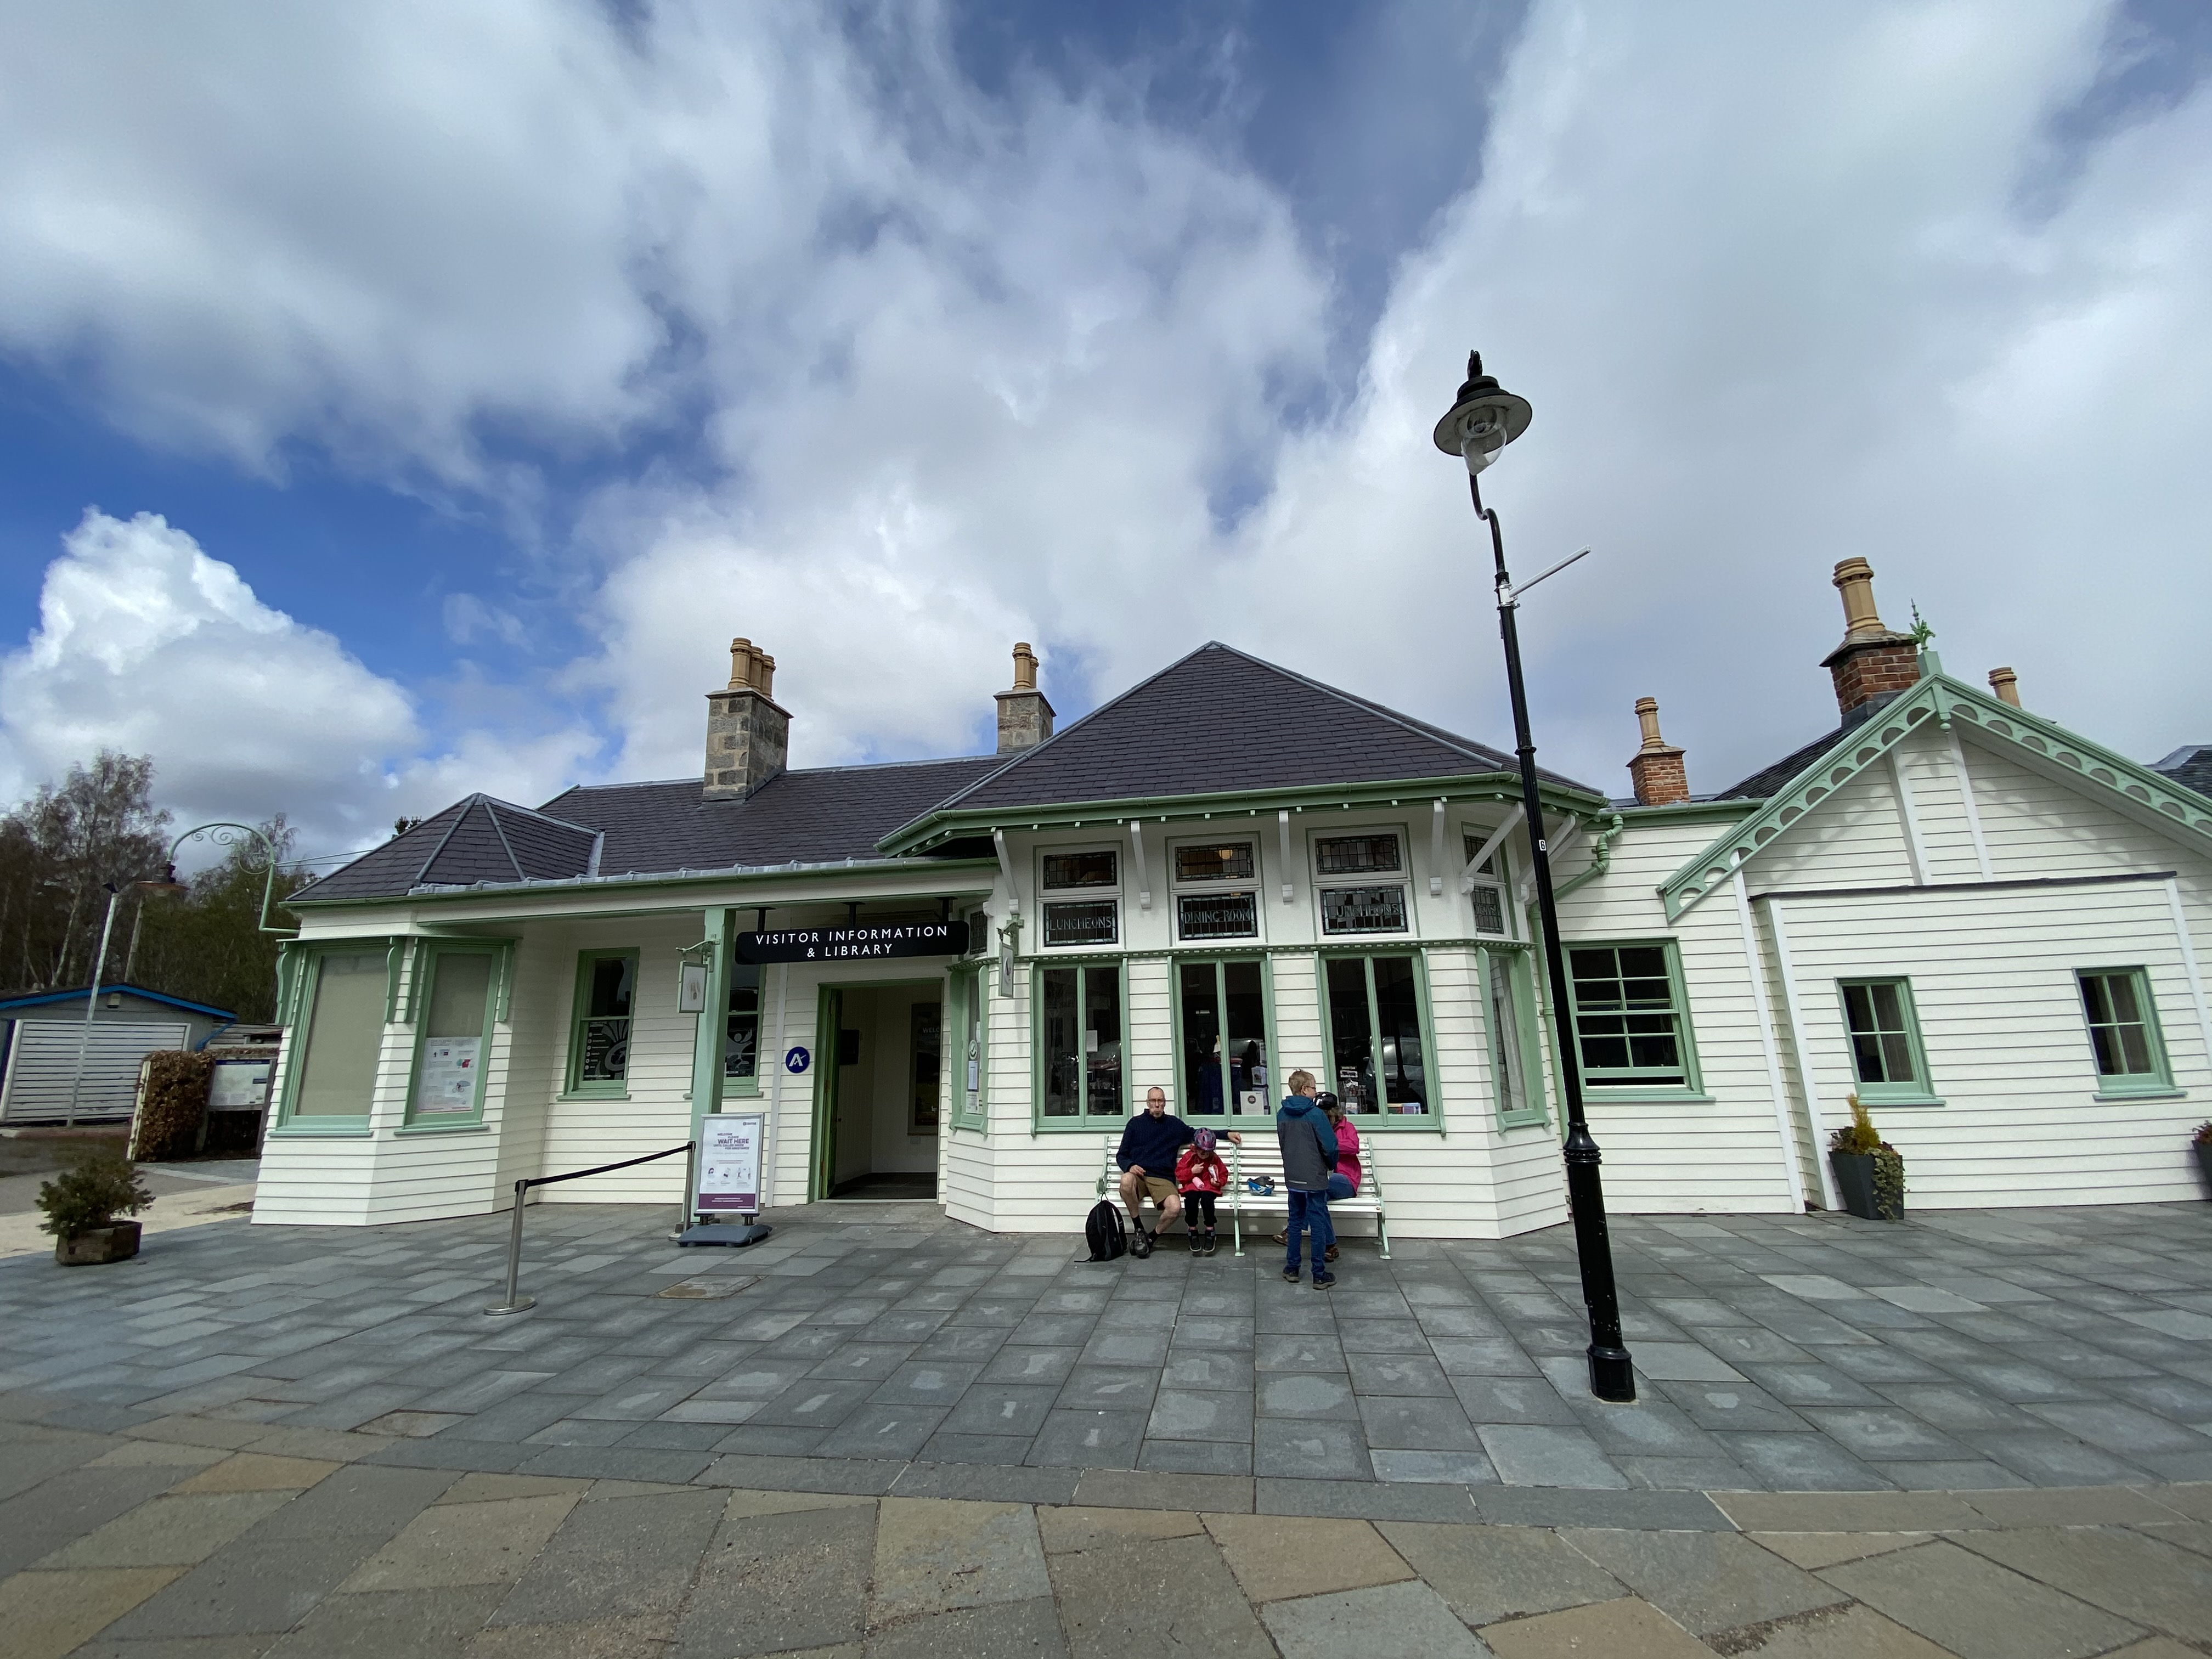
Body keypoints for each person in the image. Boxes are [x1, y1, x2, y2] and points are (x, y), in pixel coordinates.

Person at [1116, 1086, 1239, 1258]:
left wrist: (1226, 1133)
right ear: (1147, 1103)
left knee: (1174, 1208)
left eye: (1160, 1101)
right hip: (1139, 1176)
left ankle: (1150, 1239)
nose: (1157, 1105)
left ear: (1165, 1103)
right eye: (1153, 1101)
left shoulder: (1173, 1125)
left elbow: (1197, 1134)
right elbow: (1121, 1155)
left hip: (1162, 1178)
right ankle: (1139, 1229)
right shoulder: (1135, 1124)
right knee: (1126, 1180)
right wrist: (1130, 1166)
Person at [1277, 1069, 1339, 1288]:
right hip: (1314, 1177)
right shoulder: (1315, 1114)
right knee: (1318, 1223)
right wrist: (1330, 1166)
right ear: (1304, 1089)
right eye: (1313, 1087)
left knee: (1294, 1223)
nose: (1315, 1091)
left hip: (1293, 1177)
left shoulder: (1281, 1114)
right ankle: (1319, 1273)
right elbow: (1330, 1146)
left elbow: (1284, 1144)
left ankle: (1292, 1268)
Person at [1175, 1127, 1229, 1256]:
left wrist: (1219, 1182)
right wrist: (1192, 1172)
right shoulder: (1189, 1157)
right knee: (1191, 1200)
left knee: (1207, 1200)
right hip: (1192, 1186)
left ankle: (1210, 1229)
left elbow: (1224, 1174)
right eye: (1202, 1151)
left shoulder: (1214, 1158)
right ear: (1196, 1147)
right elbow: (1179, 1174)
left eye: (1208, 1151)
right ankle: (1192, 1229)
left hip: (1209, 1187)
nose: (1205, 1154)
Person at [1322, 1093, 1359, 1265]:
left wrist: (1331, 1143)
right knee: (1317, 1199)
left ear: (1335, 1115)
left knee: (1318, 1186)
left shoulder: (1348, 1127)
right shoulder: (1321, 1128)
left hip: (1346, 1181)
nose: (1326, 1120)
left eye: (1328, 1117)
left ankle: (1292, 1230)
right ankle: (1331, 1246)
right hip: (1326, 1182)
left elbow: (1353, 1147)